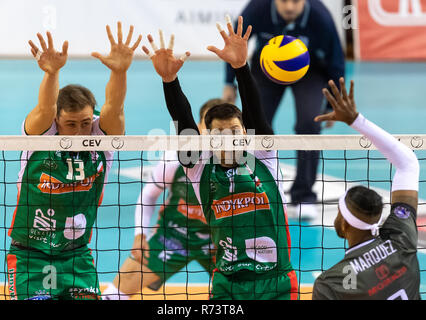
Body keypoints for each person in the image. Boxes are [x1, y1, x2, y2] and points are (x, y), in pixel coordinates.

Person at [141, 16, 298, 300]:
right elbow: (183, 120)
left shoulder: (263, 155)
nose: (228, 139)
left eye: (235, 131)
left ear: (246, 132)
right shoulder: (198, 168)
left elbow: (255, 111)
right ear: (208, 139)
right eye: (219, 134)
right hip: (227, 283)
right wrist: (169, 80)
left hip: (276, 282)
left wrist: (240, 66)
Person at [6, 23, 142, 300]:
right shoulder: (40, 134)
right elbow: (45, 107)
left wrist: (119, 71)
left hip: (76, 254)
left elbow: (114, 107)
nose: (79, 131)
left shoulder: (102, 140)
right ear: (57, 120)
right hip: (30, 254)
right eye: (71, 124)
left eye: (84, 122)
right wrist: (52, 73)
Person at [223, 0, 345, 219]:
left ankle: (304, 196)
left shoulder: (320, 16)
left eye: (296, 2)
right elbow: (234, 44)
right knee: (252, 125)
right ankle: (252, 191)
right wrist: (228, 82)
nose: (289, 7)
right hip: (266, 69)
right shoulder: (258, 8)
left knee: (309, 123)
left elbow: (336, 58)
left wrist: (333, 101)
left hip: (310, 71)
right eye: (284, 1)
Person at [102, 99, 223, 300]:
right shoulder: (176, 158)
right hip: (175, 234)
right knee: (115, 294)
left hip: (219, 240)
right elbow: (149, 195)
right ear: (199, 126)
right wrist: (140, 234)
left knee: (243, 293)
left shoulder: (244, 163)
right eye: (209, 125)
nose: (214, 133)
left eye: (221, 129)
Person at [312, 78, 420, 300]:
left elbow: (408, 163)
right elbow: (408, 162)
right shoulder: (402, 237)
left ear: (343, 223)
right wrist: (356, 120)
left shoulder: (330, 284)